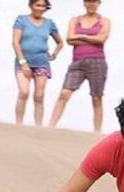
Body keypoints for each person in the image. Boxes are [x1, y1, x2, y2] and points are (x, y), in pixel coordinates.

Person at [48, 0, 111, 132]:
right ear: (84, 3)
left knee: (96, 97)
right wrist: (91, 37)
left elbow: (101, 39)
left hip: (97, 61)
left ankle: (97, 132)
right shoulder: (75, 20)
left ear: (99, 3)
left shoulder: (104, 20)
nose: (91, 4)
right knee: (64, 93)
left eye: (94, 1)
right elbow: (69, 38)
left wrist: (81, 36)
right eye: (88, 1)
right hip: (77, 62)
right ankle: (50, 126)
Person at [13, 0, 63, 126]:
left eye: (43, 6)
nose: (40, 8)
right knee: (24, 92)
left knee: (39, 96)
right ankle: (18, 124)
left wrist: (54, 54)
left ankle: (38, 127)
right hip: (23, 61)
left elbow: (60, 42)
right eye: (38, 5)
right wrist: (22, 62)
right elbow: (15, 42)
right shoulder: (21, 20)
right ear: (31, 6)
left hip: (42, 63)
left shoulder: (49, 23)